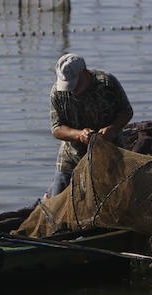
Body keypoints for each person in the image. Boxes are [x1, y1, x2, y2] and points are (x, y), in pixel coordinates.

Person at [47, 53, 133, 197]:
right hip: (72, 153)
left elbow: (126, 112)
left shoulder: (107, 83)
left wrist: (112, 129)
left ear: (85, 73)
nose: (72, 89)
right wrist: (79, 134)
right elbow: (56, 129)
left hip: (110, 149)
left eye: (75, 83)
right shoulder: (58, 92)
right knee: (57, 195)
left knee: (122, 195)